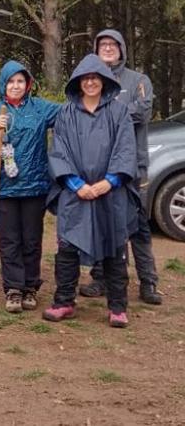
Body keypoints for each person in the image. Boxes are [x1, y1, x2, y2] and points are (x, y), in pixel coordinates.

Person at [43, 55, 140, 328]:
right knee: (67, 248)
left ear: (104, 81)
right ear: (78, 82)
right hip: (76, 193)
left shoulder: (119, 112)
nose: (90, 83)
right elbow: (58, 150)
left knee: (114, 247)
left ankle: (118, 307)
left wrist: (109, 181)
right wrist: (76, 185)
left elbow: (125, 148)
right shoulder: (66, 113)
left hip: (111, 191)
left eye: (95, 78)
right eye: (85, 79)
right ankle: (64, 301)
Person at [79, 30, 163, 305]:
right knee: (102, 223)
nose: (108, 49)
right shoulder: (90, 81)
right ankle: (101, 279)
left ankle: (148, 282)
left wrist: (107, 110)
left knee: (138, 226)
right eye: (102, 45)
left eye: (113, 44)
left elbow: (142, 111)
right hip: (98, 169)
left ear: (122, 49)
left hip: (133, 166)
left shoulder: (138, 80)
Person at [0, 61, 61, 313]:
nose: (15, 86)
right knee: (9, 240)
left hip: (34, 186)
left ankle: (30, 286)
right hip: (3, 187)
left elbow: (69, 113)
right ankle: (13, 289)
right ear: (3, 84)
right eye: (11, 81)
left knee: (31, 240)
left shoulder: (41, 108)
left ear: (28, 84)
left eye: (20, 81)